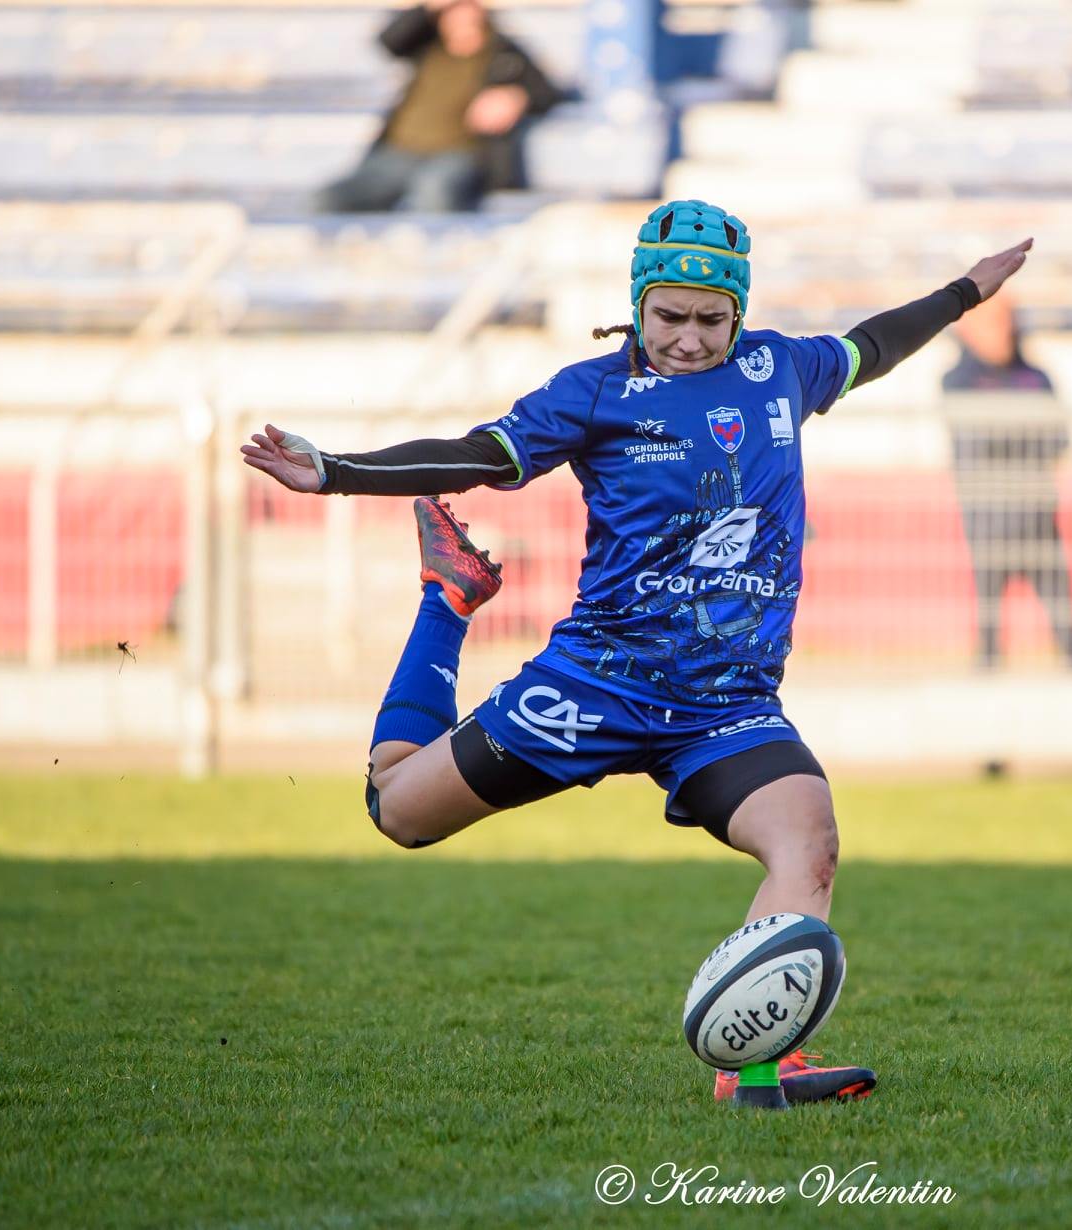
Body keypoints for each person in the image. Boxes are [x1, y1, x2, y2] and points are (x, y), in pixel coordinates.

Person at [243, 199, 1032, 1103]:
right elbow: (476, 454)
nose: (691, 339)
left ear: (739, 311)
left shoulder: (782, 370)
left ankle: (759, 1073)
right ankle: (449, 597)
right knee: (398, 810)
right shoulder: (592, 392)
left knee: (808, 842)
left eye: (711, 319)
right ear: (638, 304)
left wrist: (969, 291)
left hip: (726, 706)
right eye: (670, 317)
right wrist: (335, 471)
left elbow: (876, 343)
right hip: (595, 683)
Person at [943, 293, 1072, 670]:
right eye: (993, 321)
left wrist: (1005, 433)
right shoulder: (956, 381)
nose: (1003, 329)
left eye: (1008, 319)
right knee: (988, 628)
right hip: (987, 518)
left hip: (1037, 513)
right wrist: (1023, 432)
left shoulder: (1036, 377)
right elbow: (969, 442)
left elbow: (1059, 439)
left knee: (1064, 616)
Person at [314, 0, 562, 214]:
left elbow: (551, 93)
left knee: (433, 193)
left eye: (466, 7)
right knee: (326, 199)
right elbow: (387, 41)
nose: (460, 17)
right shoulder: (426, 46)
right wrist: (427, 7)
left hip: (459, 155)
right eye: (452, 9)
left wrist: (517, 96)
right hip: (397, 152)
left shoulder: (504, 54)